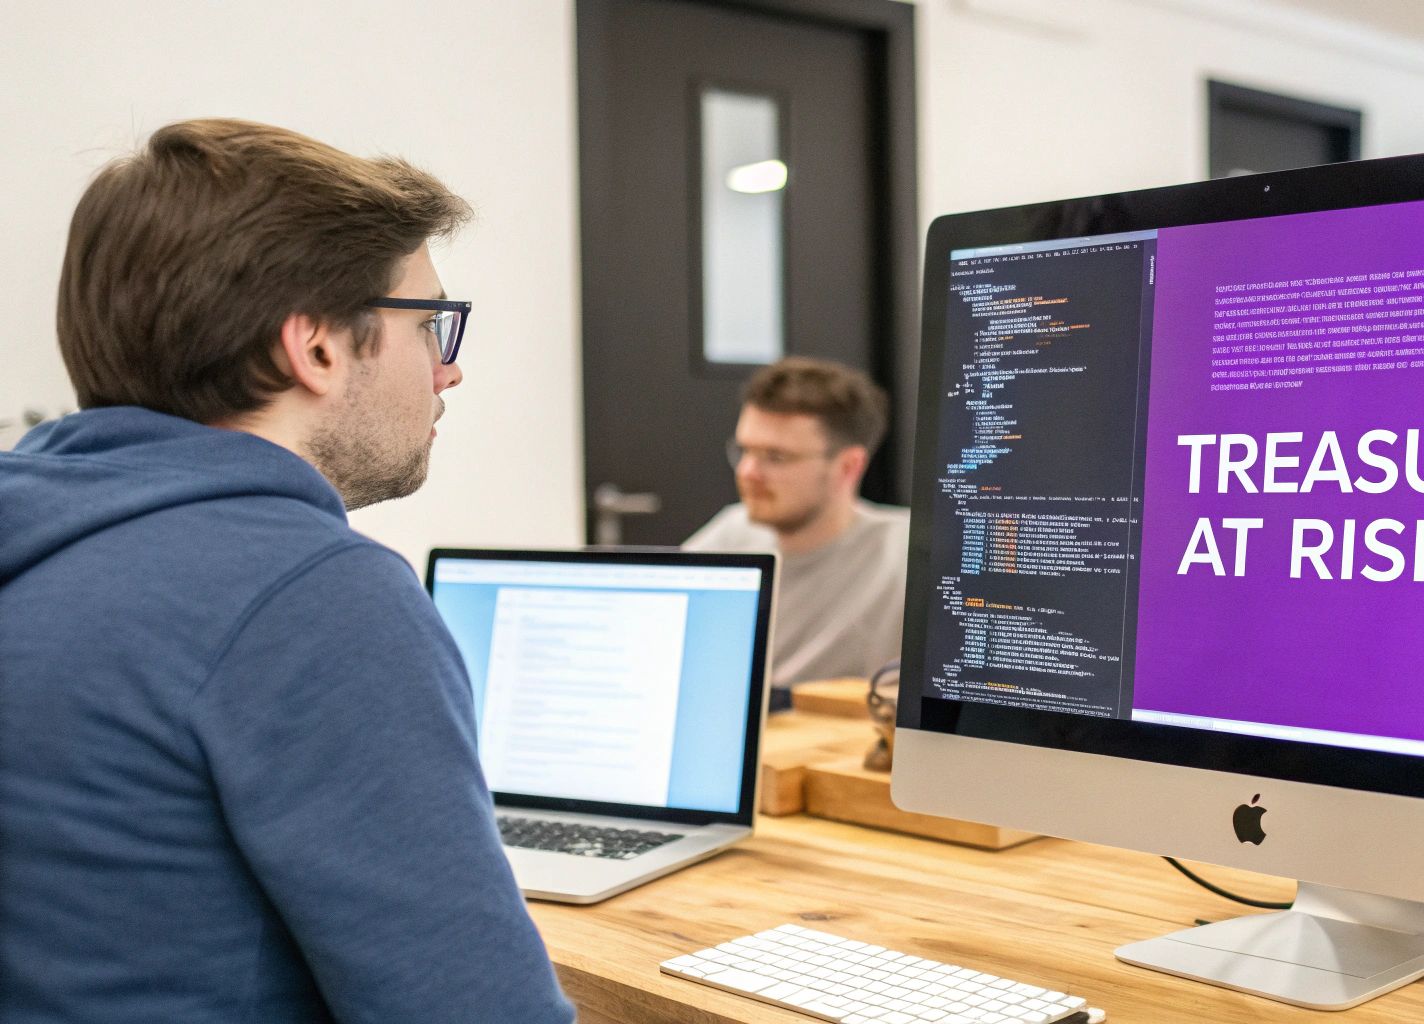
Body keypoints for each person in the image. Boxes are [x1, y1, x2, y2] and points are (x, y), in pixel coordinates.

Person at [0, 120, 574, 1023]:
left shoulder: (36, 541)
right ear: (315, 348)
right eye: (431, 326)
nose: (449, 370)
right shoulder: (311, 597)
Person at [684, 357, 908, 705]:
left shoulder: (905, 554)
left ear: (848, 466)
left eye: (775, 457)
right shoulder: (730, 534)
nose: (748, 472)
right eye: (745, 450)